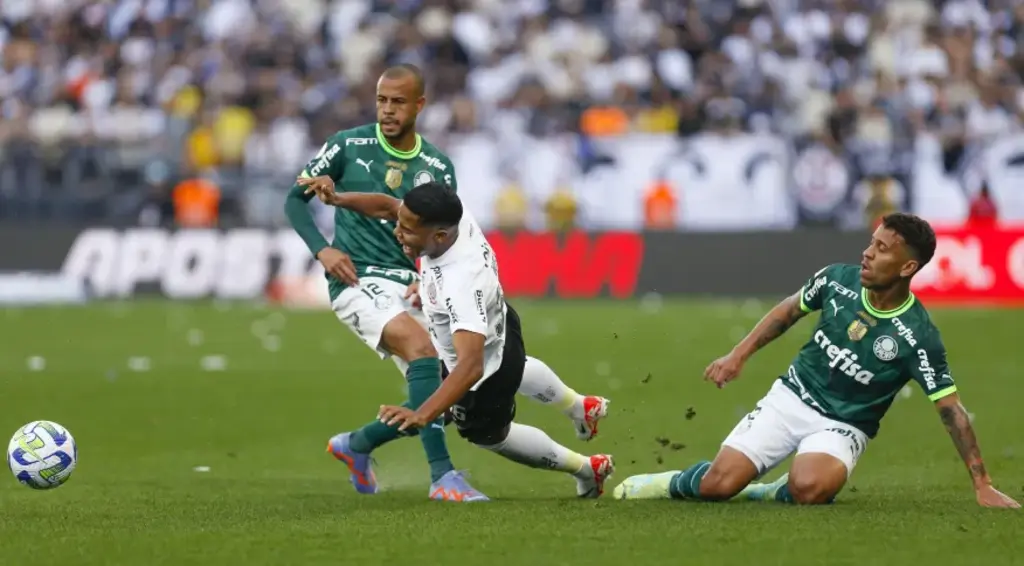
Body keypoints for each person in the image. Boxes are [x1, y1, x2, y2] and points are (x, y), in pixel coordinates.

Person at [613, 213, 1020, 509]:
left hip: (846, 424)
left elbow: (951, 410)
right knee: (718, 486)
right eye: (871, 242)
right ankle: (669, 482)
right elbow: (788, 311)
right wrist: (738, 355)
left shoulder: (918, 336)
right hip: (792, 396)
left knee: (810, 490)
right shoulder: (836, 280)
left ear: (908, 267)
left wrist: (982, 484)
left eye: (881, 249)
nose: (867, 253)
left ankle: (771, 490)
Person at [302, 180, 616, 499]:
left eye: (407, 230)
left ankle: (587, 469)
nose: (398, 232)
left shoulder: (461, 282)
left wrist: (424, 415)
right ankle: (578, 406)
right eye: (401, 223)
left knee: (489, 435)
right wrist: (338, 199)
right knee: (445, 392)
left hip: (483, 371)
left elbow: (470, 367)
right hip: (501, 323)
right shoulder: (450, 218)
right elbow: (388, 206)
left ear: (439, 236)